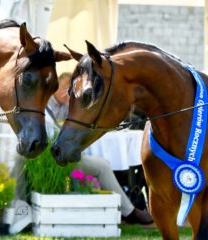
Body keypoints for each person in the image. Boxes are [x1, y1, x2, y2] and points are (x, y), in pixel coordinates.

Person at [46, 72, 153, 225]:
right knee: (102, 165)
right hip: (54, 159)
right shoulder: (45, 106)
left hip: (65, 154)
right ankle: (128, 211)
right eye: (64, 87)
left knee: (104, 163)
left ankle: (122, 206)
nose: (66, 92)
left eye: (69, 89)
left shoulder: (67, 105)